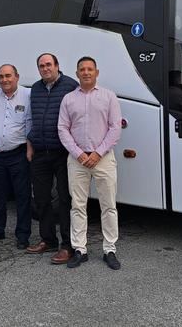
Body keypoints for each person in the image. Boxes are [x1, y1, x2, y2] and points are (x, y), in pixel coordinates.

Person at [58, 56, 122, 270]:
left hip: (103, 159)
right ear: (76, 74)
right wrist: (79, 154)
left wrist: (97, 153)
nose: (86, 72)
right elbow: (62, 129)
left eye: (89, 69)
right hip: (77, 160)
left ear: (96, 72)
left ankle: (109, 249)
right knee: (78, 205)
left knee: (108, 205)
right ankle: (80, 249)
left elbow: (115, 128)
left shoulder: (108, 97)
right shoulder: (68, 99)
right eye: (82, 69)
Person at [25, 53, 78, 264]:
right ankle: (48, 239)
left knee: (65, 199)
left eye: (49, 65)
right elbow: (32, 118)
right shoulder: (36, 89)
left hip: (63, 153)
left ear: (57, 66)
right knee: (42, 199)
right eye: (41, 66)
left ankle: (67, 245)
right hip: (39, 152)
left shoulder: (70, 86)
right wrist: (30, 144)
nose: (45, 68)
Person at [0, 64, 33, 249]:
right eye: (1, 76)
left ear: (17, 77)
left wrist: (29, 149)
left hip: (18, 153)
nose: (4, 80)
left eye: (8, 76)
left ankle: (23, 235)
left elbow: (30, 123)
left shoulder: (27, 95)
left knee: (22, 195)